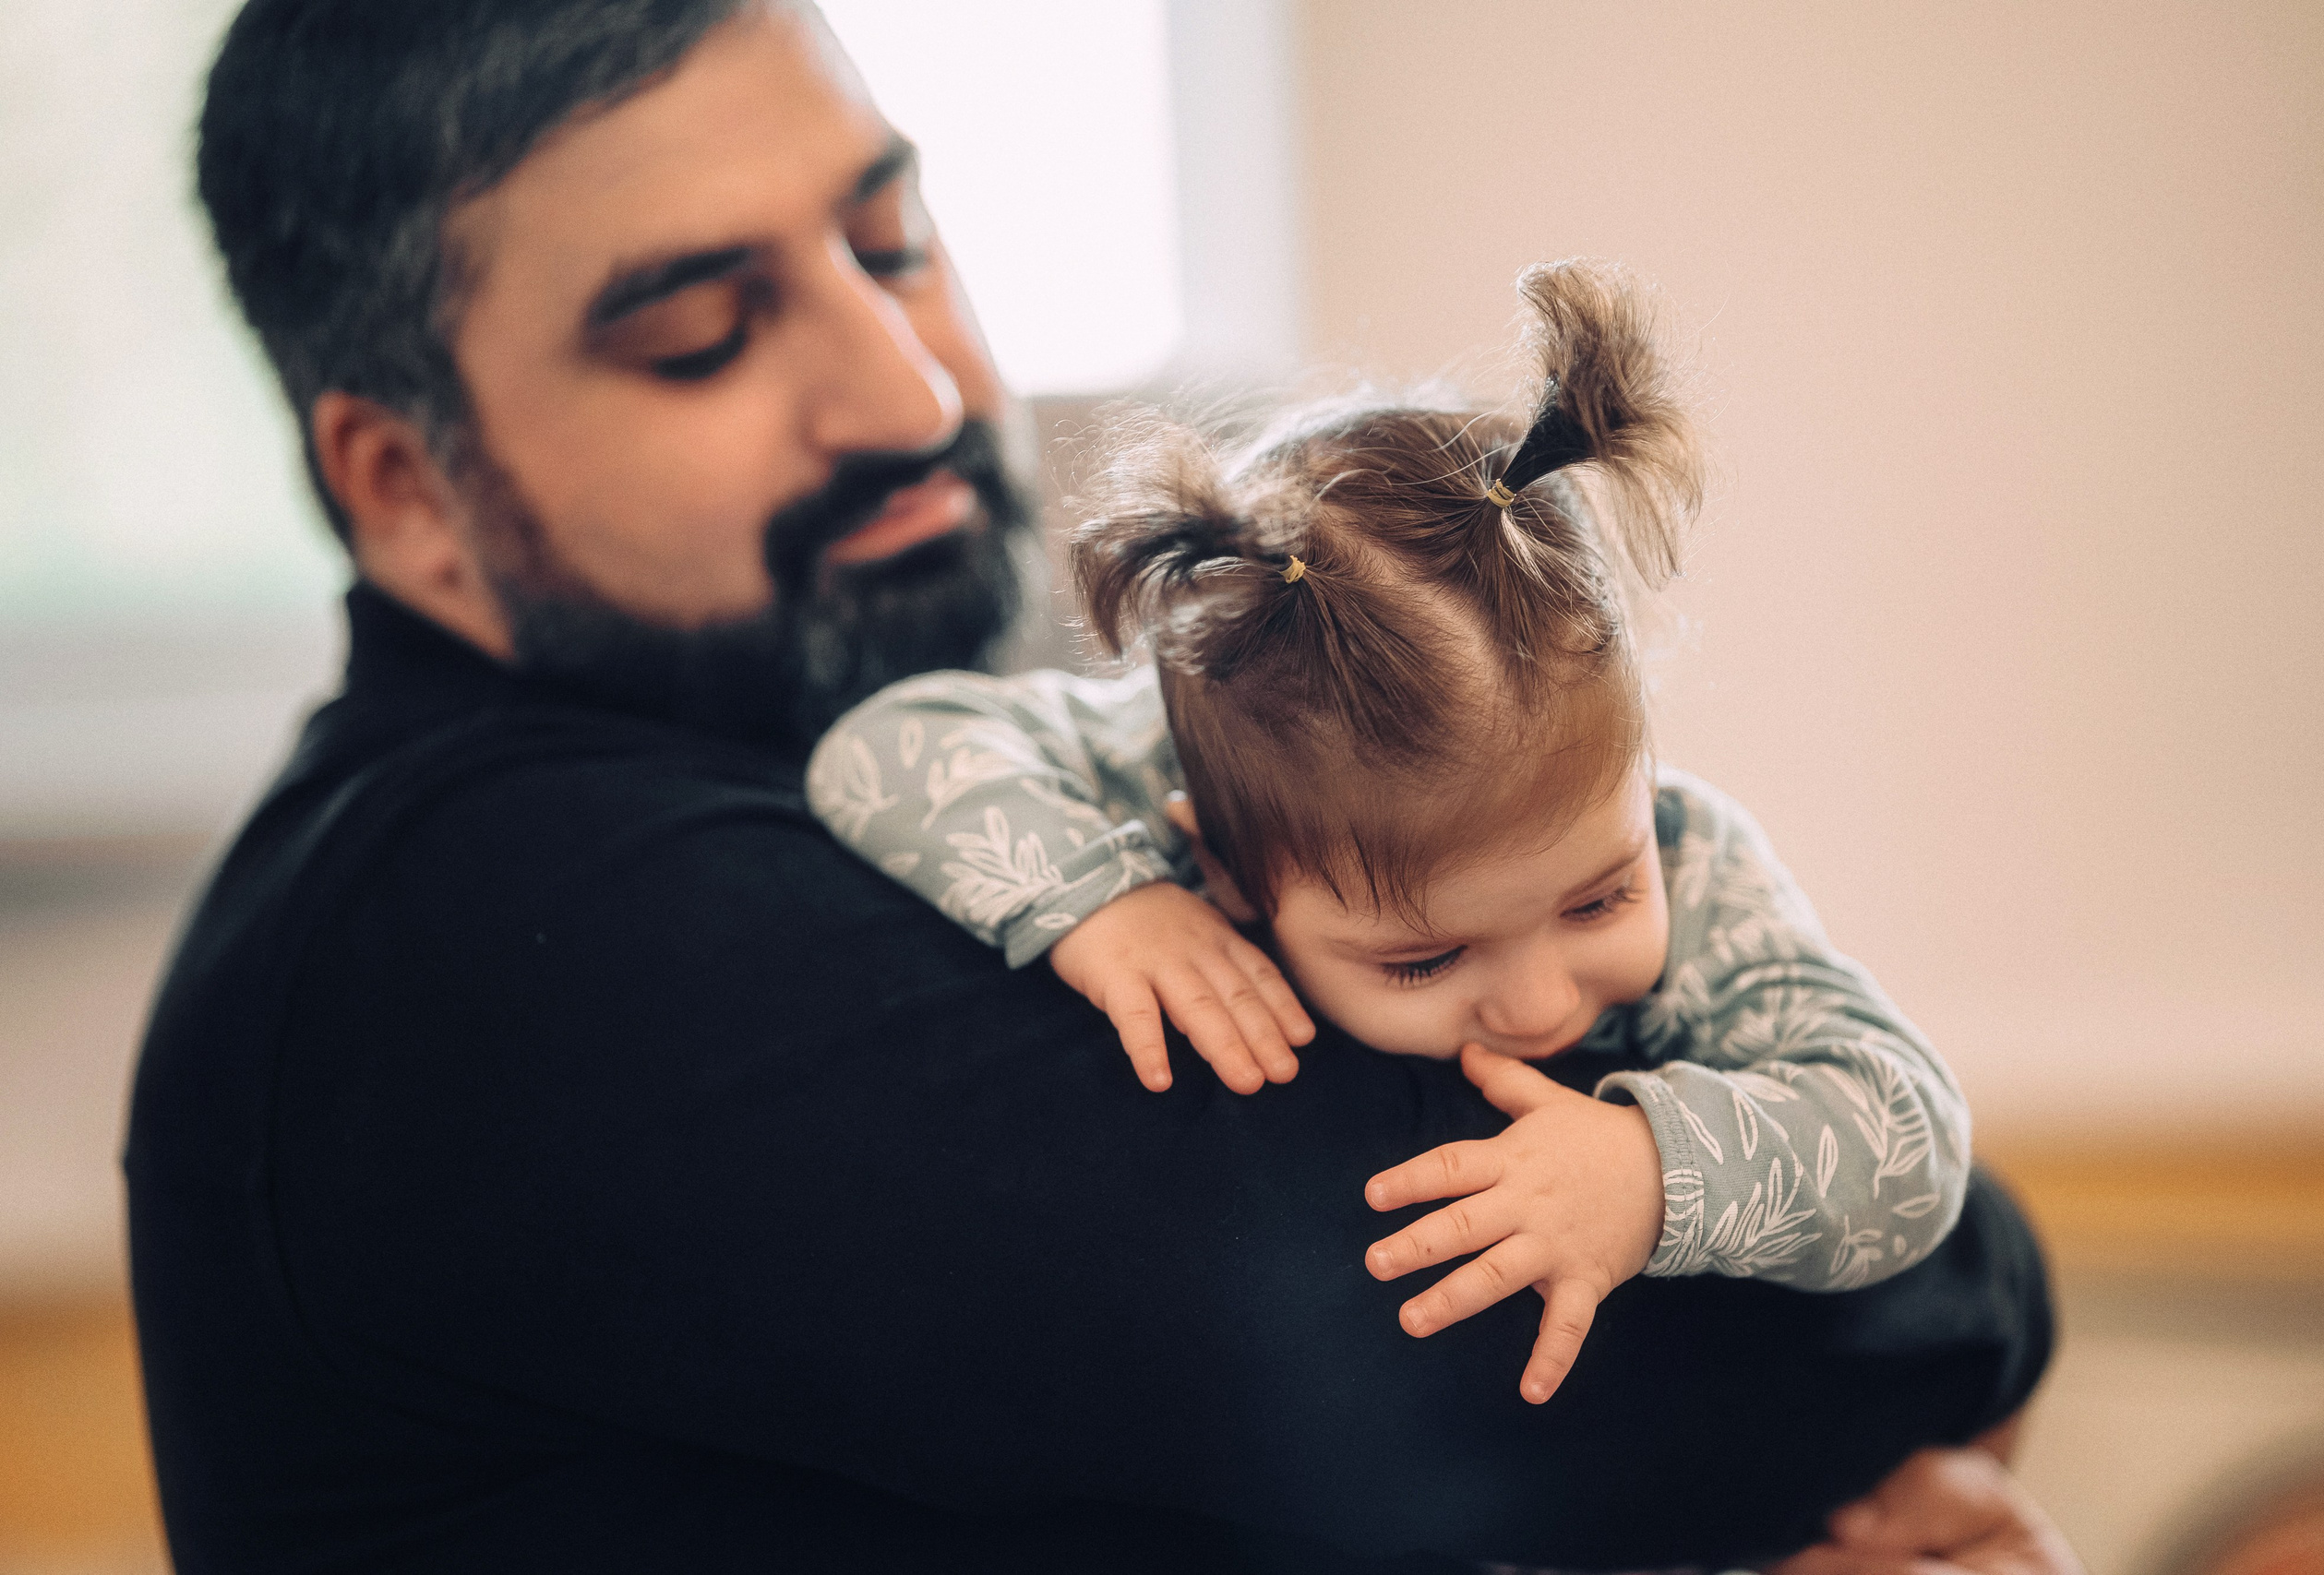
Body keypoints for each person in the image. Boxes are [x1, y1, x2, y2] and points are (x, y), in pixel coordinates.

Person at [125, 1, 2062, 1570]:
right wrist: (1971, 1262)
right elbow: (1658, 1375)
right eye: (700, 335)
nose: (908, 388)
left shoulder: (887, 794)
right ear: (406, 486)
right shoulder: (503, 932)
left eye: (893, 242)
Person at [809, 258, 1971, 1408]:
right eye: (1425, 958)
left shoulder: (1696, 864)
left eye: (1600, 899)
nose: (1539, 1005)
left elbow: (1910, 1141)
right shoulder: (1162, 775)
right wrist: (1107, 901)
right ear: (1221, 865)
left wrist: (1652, 1172)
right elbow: (882, 747)